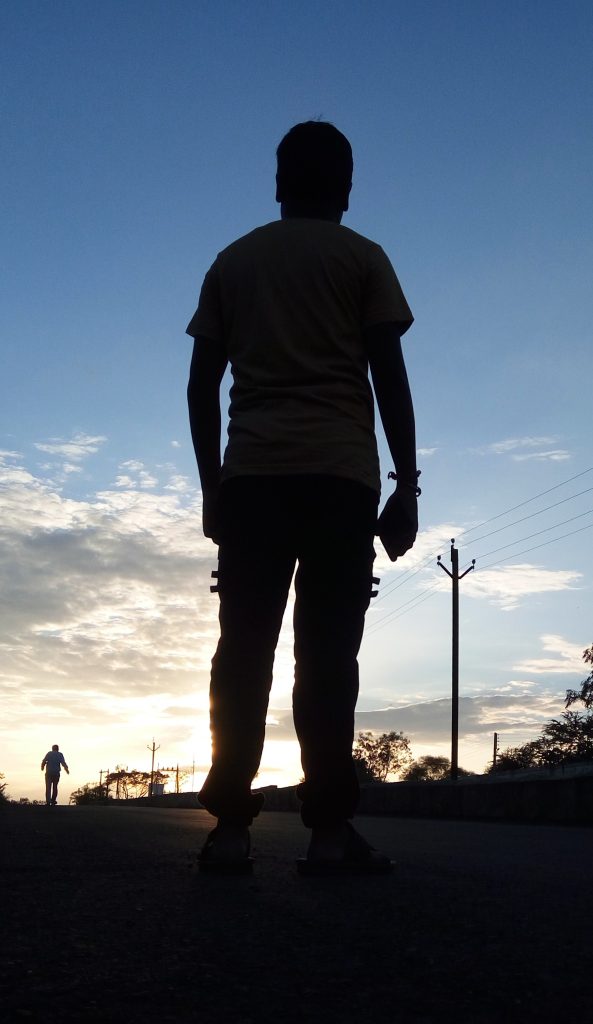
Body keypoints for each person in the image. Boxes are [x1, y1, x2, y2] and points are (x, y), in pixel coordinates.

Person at [186, 120, 418, 874]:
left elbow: (200, 384)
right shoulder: (363, 259)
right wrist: (405, 487)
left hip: (251, 479)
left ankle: (227, 831)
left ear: (278, 182)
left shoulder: (233, 262)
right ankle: (325, 834)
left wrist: (212, 489)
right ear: (346, 187)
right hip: (338, 481)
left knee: (243, 651)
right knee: (326, 659)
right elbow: (388, 380)